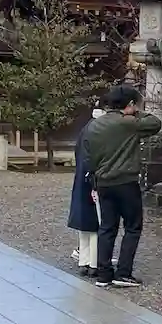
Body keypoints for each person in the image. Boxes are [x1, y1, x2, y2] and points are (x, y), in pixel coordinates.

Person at [86, 84, 162, 288]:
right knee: (132, 227)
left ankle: (103, 274)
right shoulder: (128, 123)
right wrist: (135, 112)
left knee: (107, 228)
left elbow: (88, 156)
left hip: (103, 182)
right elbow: (155, 123)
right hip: (126, 181)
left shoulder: (94, 125)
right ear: (130, 104)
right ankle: (123, 272)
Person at [66, 104, 105, 275]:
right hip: (94, 179)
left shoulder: (86, 128)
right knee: (96, 223)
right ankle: (94, 263)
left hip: (82, 178)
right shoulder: (99, 129)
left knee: (85, 225)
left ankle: (84, 261)